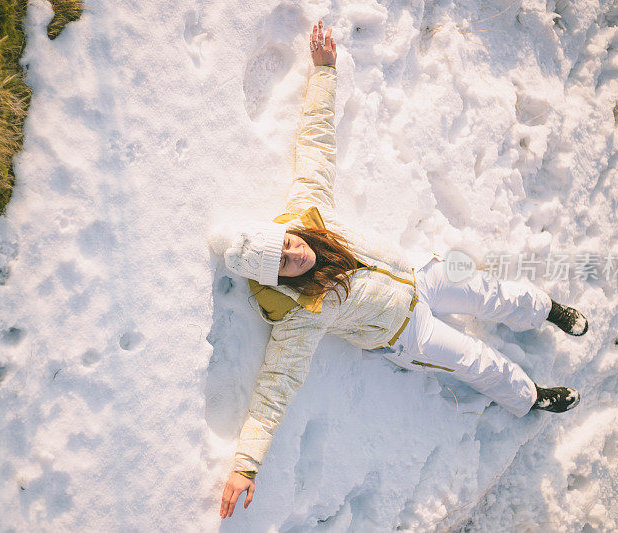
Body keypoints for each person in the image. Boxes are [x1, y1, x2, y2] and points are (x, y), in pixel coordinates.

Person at [217, 20, 587, 520]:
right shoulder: (299, 316)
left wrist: (324, 72)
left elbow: (316, 145)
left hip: (419, 276)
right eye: (282, 264)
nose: (295, 253)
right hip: (407, 333)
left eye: (285, 243)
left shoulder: (310, 216)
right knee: (476, 361)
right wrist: (245, 465)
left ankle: (549, 310)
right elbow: (272, 390)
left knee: (491, 292)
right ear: (278, 281)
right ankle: (531, 396)